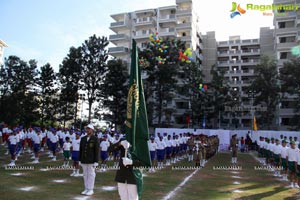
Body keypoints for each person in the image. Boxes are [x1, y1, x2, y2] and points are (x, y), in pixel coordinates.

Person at [79, 124, 99, 196]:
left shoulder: (95, 139)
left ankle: (91, 189)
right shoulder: (83, 138)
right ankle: (86, 188)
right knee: (85, 174)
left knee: (91, 174)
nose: (87, 130)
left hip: (91, 160)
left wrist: (96, 161)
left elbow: (97, 151)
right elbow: (81, 150)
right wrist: (79, 159)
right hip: (84, 159)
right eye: (87, 129)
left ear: (92, 130)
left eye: (89, 129)